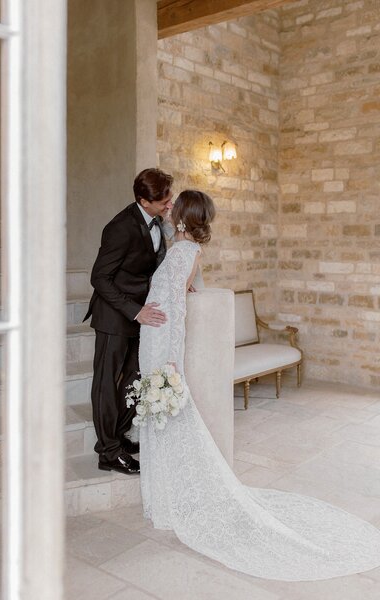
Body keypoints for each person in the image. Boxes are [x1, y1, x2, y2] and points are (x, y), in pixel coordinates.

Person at [138, 189, 380, 581]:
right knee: (159, 416)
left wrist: (171, 358)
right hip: (152, 334)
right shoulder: (177, 248)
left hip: (162, 341)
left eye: (175, 205)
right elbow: (175, 292)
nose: (170, 208)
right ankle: (162, 497)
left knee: (169, 416)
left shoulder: (184, 252)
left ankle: (171, 499)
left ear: (182, 215)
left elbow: (179, 308)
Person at [84, 168, 174, 475]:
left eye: (169, 197)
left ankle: (118, 436)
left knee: (137, 376)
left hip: (141, 312)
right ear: (143, 201)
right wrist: (134, 311)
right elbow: (99, 277)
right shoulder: (120, 227)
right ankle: (107, 452)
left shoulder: (158, 221)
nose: (169, 203)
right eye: (163, 200)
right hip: (114, 315)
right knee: (106, 385)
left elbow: (152, 265)